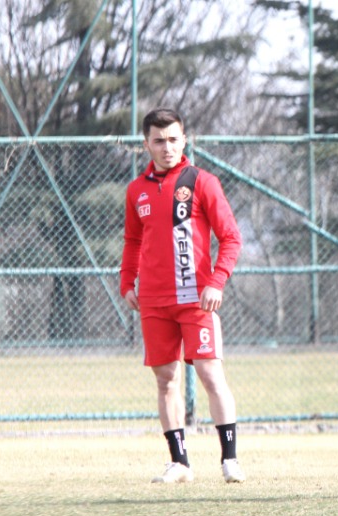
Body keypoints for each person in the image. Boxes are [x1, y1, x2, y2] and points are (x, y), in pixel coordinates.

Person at [120, 108, 245, 484]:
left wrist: (217, 281)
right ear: (146, 144)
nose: (166, 147)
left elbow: (232, 238)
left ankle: (230, 460)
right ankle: (179, 463)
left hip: (197, 299)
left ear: (184, 140)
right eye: (158, 140)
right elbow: (132, 240)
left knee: (210, 373)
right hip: (154, 302)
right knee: (165, 381)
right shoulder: (136, 190)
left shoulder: (202, 182)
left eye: (173, 139)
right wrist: (127, 282)